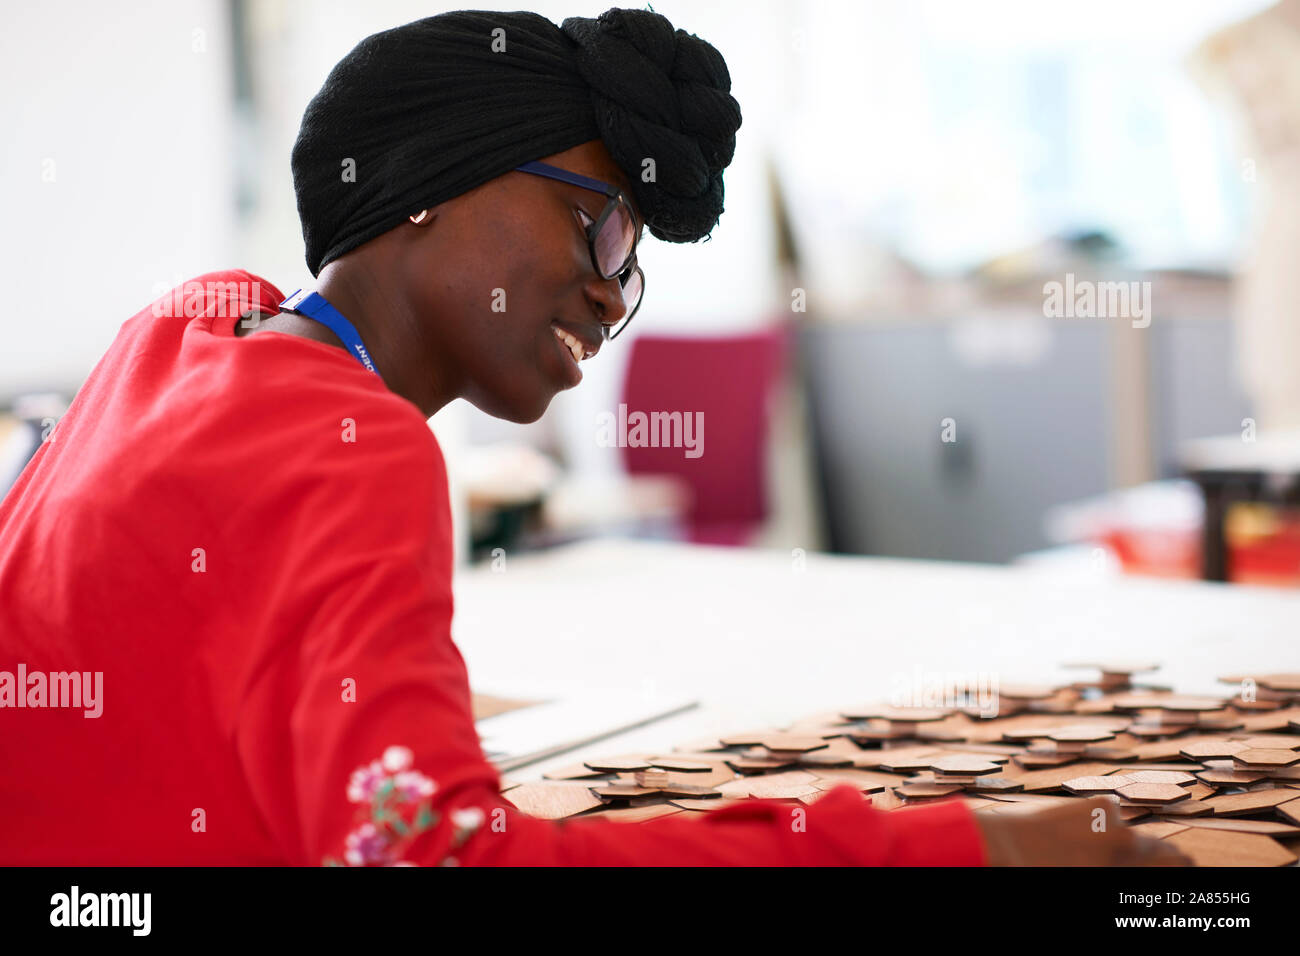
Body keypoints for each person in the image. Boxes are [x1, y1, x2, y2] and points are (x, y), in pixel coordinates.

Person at [0, 7, 1188, 867]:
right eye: (605, 229)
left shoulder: (184, 329)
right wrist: (953, 844)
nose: (613, 297)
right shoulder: (355, 441)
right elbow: (432, 855)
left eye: (634, 273)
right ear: (429, 180)